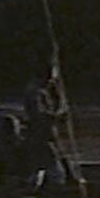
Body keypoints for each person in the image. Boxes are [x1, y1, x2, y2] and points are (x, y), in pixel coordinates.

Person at [22, 62, 78, 190]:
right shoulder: (34, 92)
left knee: (54, 160)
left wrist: (59, 103)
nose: (50, 82)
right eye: (49, 78)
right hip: (38, 135)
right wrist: (57, 116)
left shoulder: (45, 91)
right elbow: (38, 115)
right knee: (49, 167)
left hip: (47, 134)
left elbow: (54, 109)